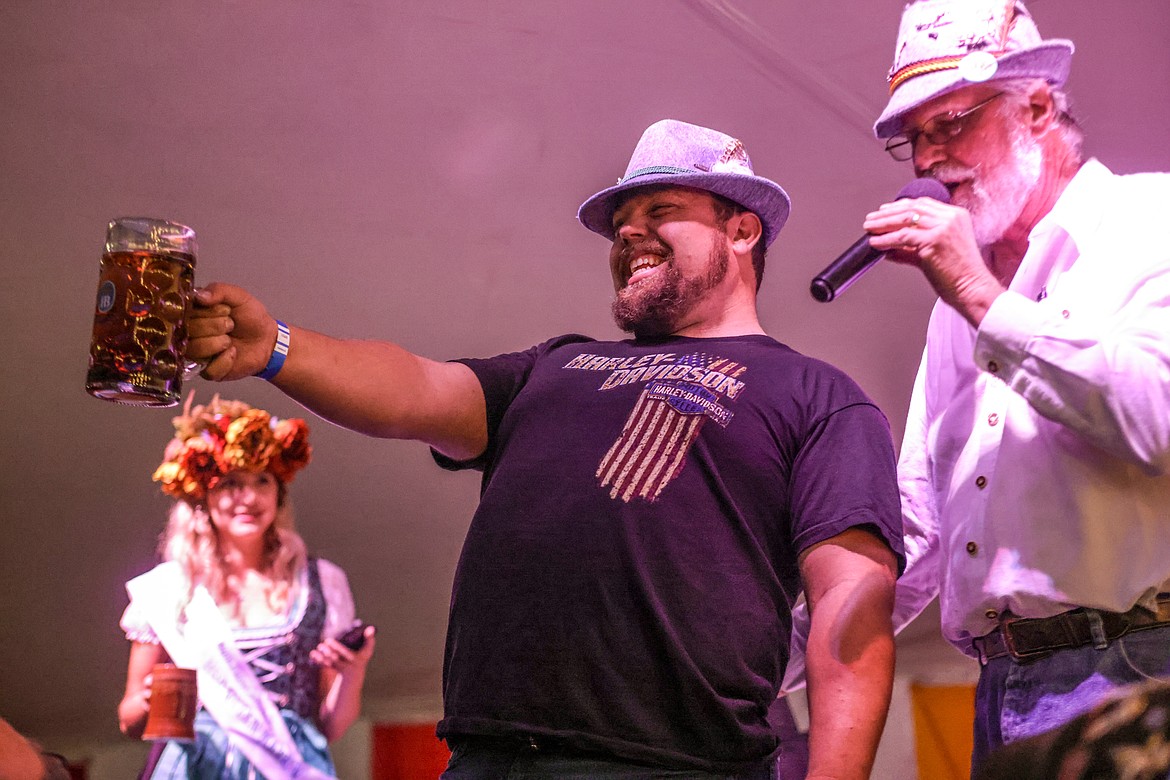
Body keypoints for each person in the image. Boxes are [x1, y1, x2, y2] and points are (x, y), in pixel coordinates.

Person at [186, 118, 903, 779]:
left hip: (675, 764)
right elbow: (414, 389)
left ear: (742, 231)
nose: (629, 235)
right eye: (620, 225)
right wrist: (276, 346)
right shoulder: (553, 366)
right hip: (486, 757)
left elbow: (850, 605)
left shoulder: (816, 396)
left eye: (660, 213)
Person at [858, 0, 1170, 773]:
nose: (928, 159)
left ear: (1034, 105)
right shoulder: (960, 302)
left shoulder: (1149, 220)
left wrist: (978, 298)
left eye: (951, 122)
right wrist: (779, 655)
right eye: (914, 138)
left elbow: (1158, 417)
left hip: (1135, 669)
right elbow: (922, 525)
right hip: (1000, 686)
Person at [117, 395, 376, 779]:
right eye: (231, 483)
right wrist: (151, 701)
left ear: (278, 493)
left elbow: (330, 727)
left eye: (262, 481)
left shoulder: (320, 582)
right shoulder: (170, 590)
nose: (249, 498)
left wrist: (353, 673)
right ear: (203, 495)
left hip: (289, 764)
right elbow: (129, 720)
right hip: (195, 766)